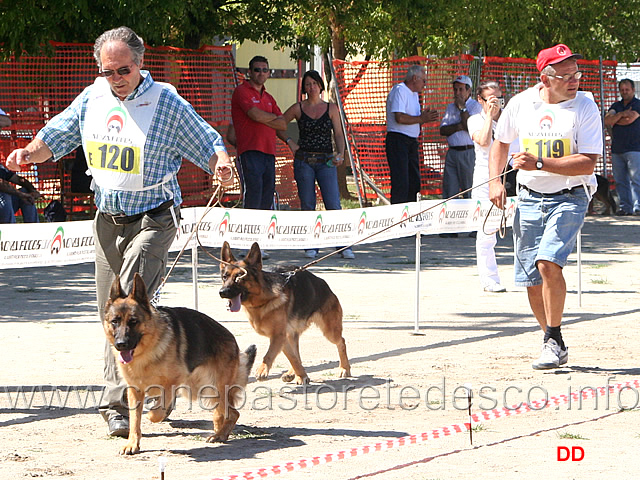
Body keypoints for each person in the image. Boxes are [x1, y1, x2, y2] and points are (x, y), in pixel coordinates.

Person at [5, 26, 234, 435]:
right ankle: (120, 404)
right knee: (112, 316)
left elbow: (206, 138)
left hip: (154, 218)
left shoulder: (164, 100)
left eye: (123, 70)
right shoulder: (92, 97)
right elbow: (54, 136)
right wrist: (28, 153)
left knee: (130, 296)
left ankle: (161, 388)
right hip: (107, 220)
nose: (116, 78)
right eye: (108, 71)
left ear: (140, 63)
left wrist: (219, 161)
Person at [488, 44, 602, 370]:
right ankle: (554, 340)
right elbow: (500, 142)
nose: (574, 80)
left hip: (571, 194)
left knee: (548, 263)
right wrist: (496, 182)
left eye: (576, 73)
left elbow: (587, 163)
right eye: (565, 75)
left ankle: (552, 338)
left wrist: (538, 162)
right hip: (528, 197)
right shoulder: (521, 103)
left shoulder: (585, 107)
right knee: (531, 279)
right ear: (545, 77)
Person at [278, 70, 354, 259]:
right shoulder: (298, 108)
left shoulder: (331, 108)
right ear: (304, 88)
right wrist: (290, 142)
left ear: (320, 85)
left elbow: (338, 133)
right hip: (304, 160)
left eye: (314, 83)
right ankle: (310, 244)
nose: (311, 87)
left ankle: (342, 244)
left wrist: (341, 152)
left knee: (333, 203)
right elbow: (279, 124)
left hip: (326, 161)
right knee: (308, 204)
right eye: (308, 84)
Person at [230, 55, 286, 211]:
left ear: (268, 73)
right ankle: (249, 230)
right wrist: (272, 117)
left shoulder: (269, 97)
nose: (261, 73)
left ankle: (263, 231)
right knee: (254, 194)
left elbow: (282, 124)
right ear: (249, 72)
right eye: (257, 70)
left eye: (265, 70)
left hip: (269, 152)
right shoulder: (241, 91)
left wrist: (264, 118)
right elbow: (254, 115)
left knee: (267, 195)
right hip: (250, 150)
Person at [468, 81, 508, 293]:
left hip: (510, 178)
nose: (496, 104)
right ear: (480, 101)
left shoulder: (509, 119)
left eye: (498, 99)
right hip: (484, 181)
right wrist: (490, 117)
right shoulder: (475, 120)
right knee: (486, 232)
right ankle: (489, 279)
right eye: (490, 100)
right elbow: (483, 141)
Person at [385, 65, 438, 204]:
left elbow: (414, 119)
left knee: (414, 181)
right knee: (401, 181)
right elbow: (400, 117)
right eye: (424, 81)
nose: (425, 85)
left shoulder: (414, 95)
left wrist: (424, 117)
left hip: (411, 142)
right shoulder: (400, 91)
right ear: (415, 78)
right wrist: (422, 119)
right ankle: (399, 215)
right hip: (398, 140)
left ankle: (411, 212)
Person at [440, 75, 482, 200]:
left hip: (468, 151)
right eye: (455, 89)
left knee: (469, 188)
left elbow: (469, 127)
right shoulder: (450, 107)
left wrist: (463, 109)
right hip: (452, 152)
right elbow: (443, 130)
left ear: (469, 91)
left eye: (461, 89)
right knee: (450, 190)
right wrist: (459, 126)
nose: (457, 93)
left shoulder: (475, 107)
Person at [604, 79, 640, 215]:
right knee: (620, 181)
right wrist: (621, 114)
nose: (624, 92)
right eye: (622, 90)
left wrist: (617, 119)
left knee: (636, 179)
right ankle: (625, 208)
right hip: (617, 149)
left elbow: (629, 120)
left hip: (635, 148)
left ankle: (638, 207)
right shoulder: (616, 106)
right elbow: (607, 120)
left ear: (633, 90)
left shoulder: (638, 104)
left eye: (627, 90)